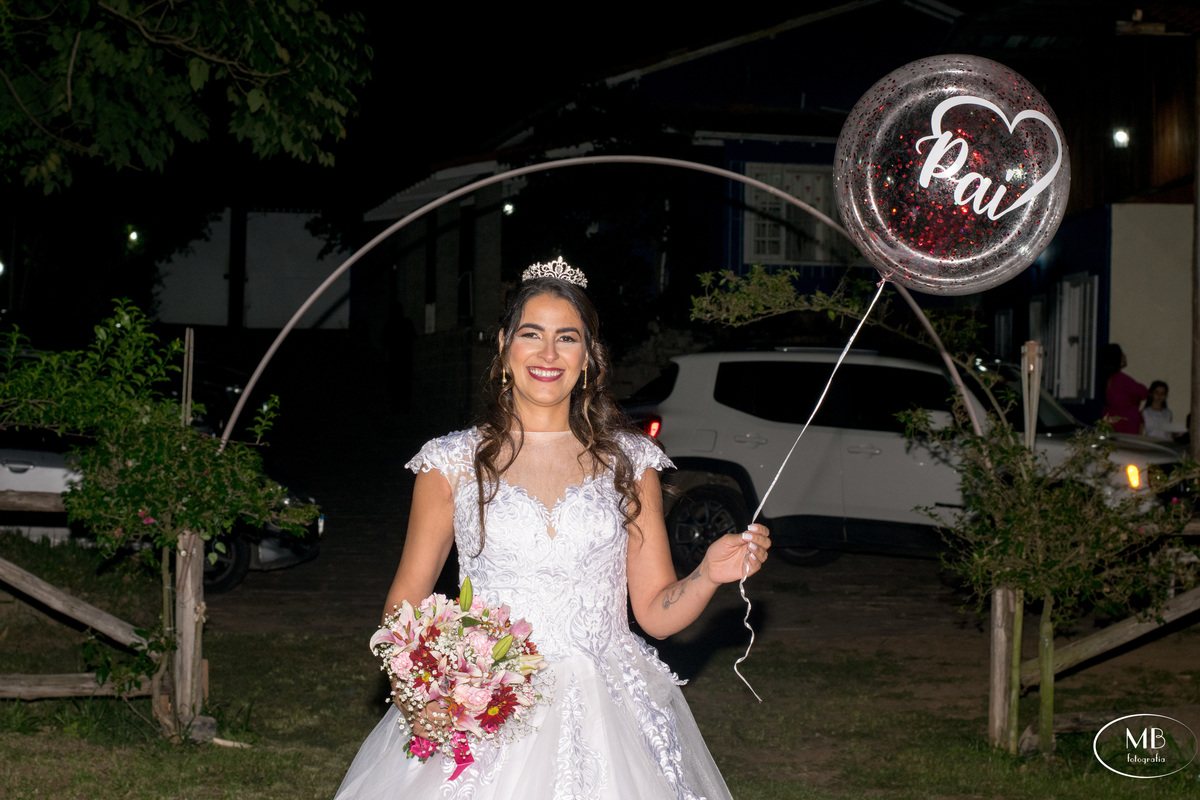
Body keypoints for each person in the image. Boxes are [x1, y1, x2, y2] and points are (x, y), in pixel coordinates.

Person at [334, 257, 770, 800]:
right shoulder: (451, 464)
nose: (548, 354)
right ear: (504, 346)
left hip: (609, 712)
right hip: (489, 702)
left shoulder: (631, 463)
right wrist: (420, 695)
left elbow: (656, 615)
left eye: (567, 338)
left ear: (588, 357)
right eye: (531, 334)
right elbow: (405, 603)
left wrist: (707, 575)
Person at [1099, 343, 1147, 435]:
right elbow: (1143, 392)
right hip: (1126, 423)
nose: (1124, 355)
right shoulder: (1120, 379)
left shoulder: (1107, 378)